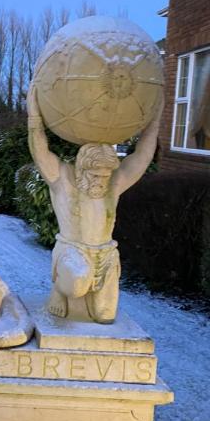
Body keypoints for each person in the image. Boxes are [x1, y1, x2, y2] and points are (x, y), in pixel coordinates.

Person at [26, 84, 163, 323]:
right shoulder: (63, 180)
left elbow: (141, 157)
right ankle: (60, 290)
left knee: (105, 316)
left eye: (105, 175)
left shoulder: (113, 185)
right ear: (81, 169)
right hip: (72, 251)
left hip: (106, 255)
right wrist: (34, 115)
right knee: (76, 285)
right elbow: (40, 151)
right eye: (95, 175)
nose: (101, 180)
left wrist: (154, 121)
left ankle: (92, 293)